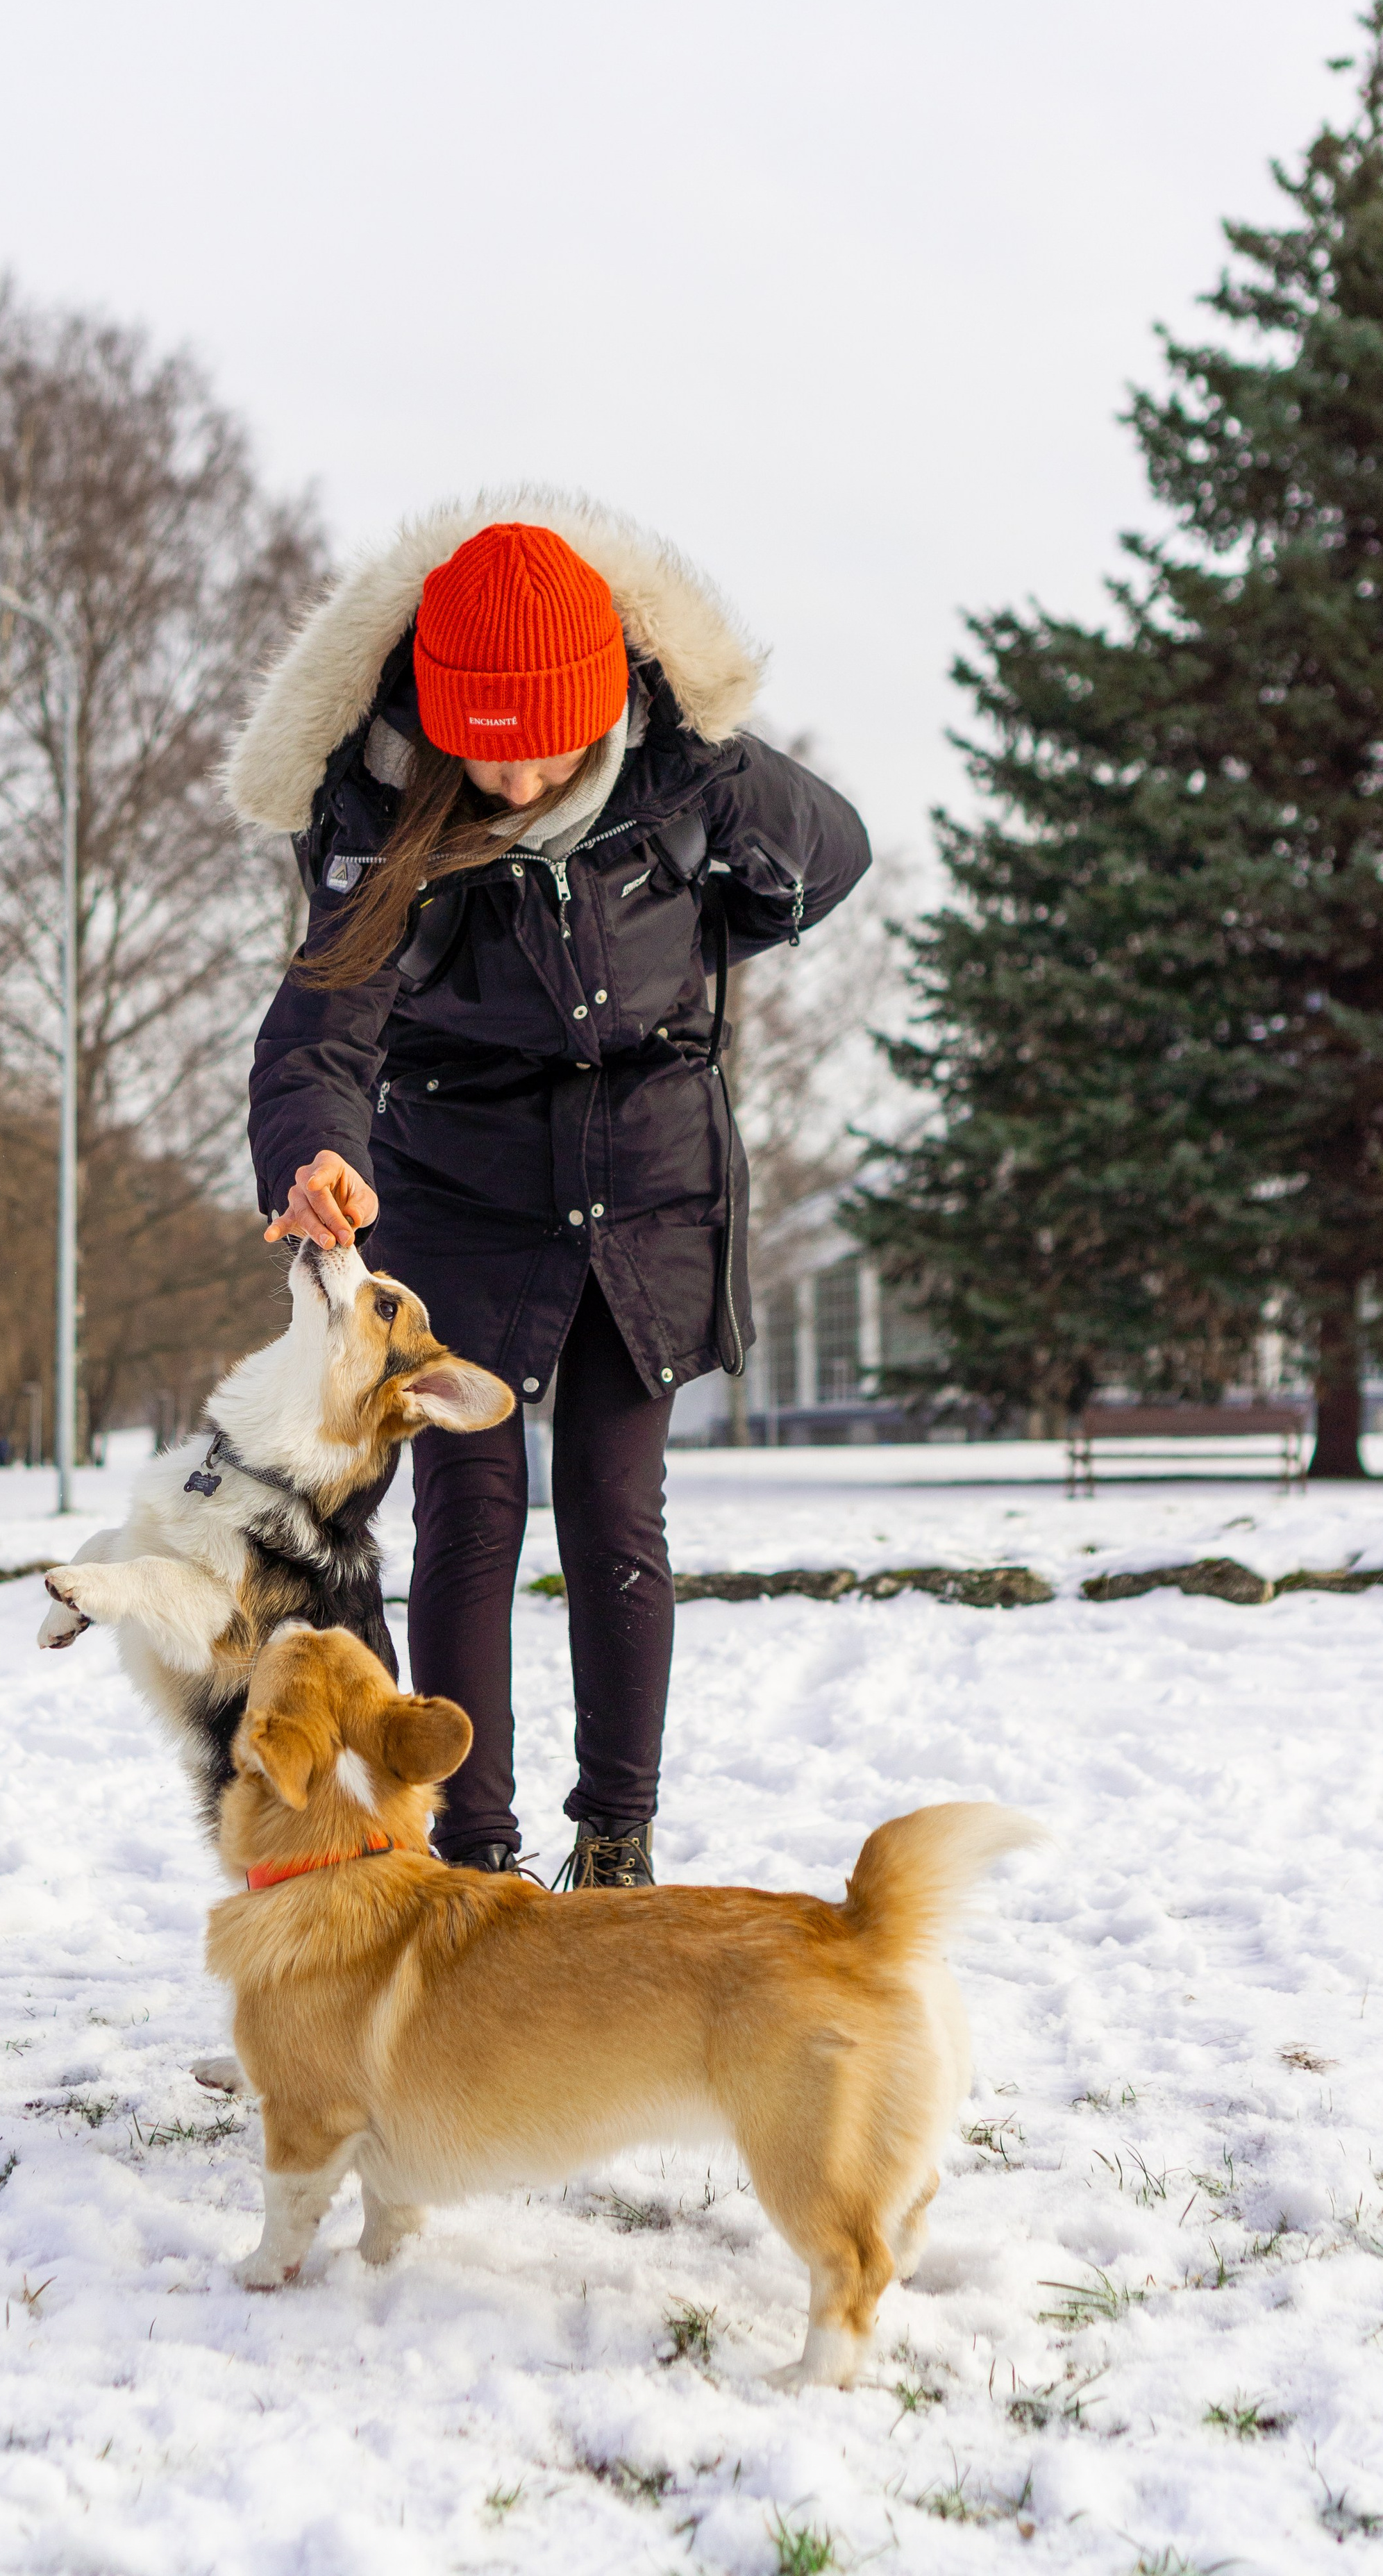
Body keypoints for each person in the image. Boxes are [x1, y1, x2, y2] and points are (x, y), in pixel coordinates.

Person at [232, 505, 870, 1887]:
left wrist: (718, 926)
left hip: (646, 1186)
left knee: (613, 1505)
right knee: (468, 1507)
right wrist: (313, 1150)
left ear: (601, 708)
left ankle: (616, 1839)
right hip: (456, 1188)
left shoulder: (687, 773)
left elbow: (831, 855)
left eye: (544, 740)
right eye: (484, 741)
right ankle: (473, 1856)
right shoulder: (379, 805)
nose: (513, 775)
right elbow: (319, 1032)